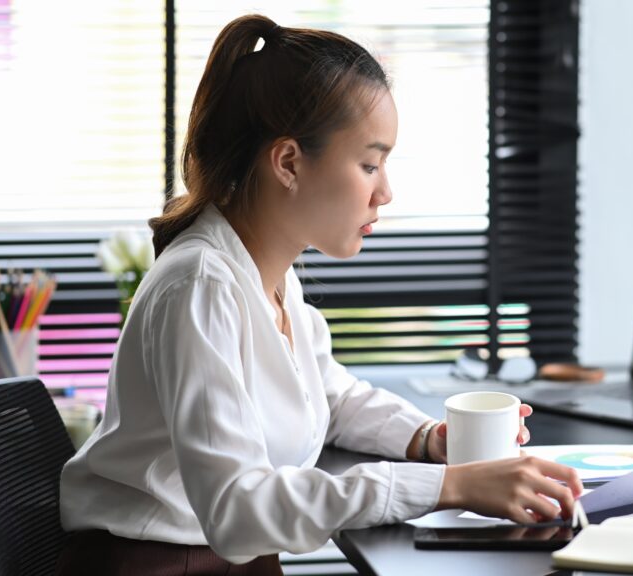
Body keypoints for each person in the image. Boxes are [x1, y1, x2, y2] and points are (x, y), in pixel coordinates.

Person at [55, 14, 582, 576]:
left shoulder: (266, 273)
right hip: (165, 564)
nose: (385, 191)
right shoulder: (201, 288)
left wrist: (430, 440)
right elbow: (236, 511)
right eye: (369, 163)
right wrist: (447, 486)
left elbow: (329, 399)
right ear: (288, 162)